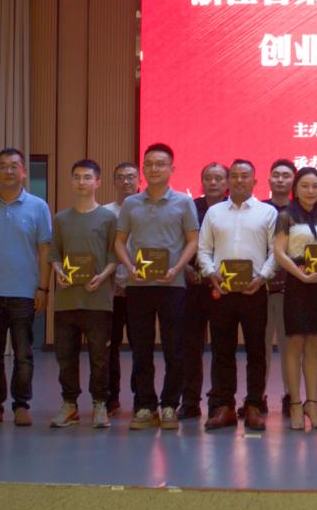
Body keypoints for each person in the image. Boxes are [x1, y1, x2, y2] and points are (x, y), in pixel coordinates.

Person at [114, 143, 199, 431]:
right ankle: (144, 406)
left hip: (172, 285)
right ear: (143, 169)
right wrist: (130, 267)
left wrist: (177, 268)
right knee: (141, 349)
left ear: (172, 168)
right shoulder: (131, 203)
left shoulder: (184, 202)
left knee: (174, 348)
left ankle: (169, 405)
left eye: (160, 164)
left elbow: (193, 241)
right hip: (138, 285)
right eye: (149, 164)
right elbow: (119, 242)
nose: (154, 168)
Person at [0, 148, 52, 427]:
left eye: (14, 166)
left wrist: (43, 288)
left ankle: (21, 405)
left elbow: (45, 251)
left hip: (24, 293)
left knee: (24, 354)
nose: (8, 170)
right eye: (3, 166)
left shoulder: (38, 206)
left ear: (23, 172)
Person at [198, 159, 277, 432]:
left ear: (255, 181)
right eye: (234, 176)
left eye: (245, 176)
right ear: (228, 181)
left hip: (254, 290)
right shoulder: (214, 212)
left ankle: (254, 405)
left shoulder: (268, 212)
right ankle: (224, 406)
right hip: (222, 290)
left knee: (256, 350)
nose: (239, 180)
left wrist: (262, 277)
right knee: (222, 350)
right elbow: (203, 249)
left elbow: (275, 252)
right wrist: (211, 273)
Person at [48, 159, 118, 428]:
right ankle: (69, 405)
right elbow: (55, 255)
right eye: (77, 177)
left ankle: (100, 404)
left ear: (97, 182)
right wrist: (58, 272)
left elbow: (113, 257)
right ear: (71, 181)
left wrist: (102, 276)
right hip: (66, 301)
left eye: (87, 177)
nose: (81, 182)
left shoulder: (108, 218)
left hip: (98, 301)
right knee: (66, 357)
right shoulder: (61, 218)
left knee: (99, 357)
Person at [273, 167, 317, 431]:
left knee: (314, 345)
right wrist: (300, 275)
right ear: (295, 190)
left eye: (315, 186)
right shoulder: (286, 216)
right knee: (295, 344)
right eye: (305, 186)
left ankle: (312, 404)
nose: (311, 191)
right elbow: (279, 252)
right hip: (297, 285)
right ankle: (296, 404)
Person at [179, 162, 228, 420]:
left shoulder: (234, 209)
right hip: (192, 286)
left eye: (219, 178)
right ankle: (189, 401)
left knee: (221, 346)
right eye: (208, 177)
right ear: (202, 182)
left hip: (222, 285)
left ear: (227, 183)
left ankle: (218, 400)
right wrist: (185, 267)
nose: (213, 182)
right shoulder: (190, 207)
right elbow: (178, 240)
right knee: (190, 346)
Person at [102, 161, 139, 416]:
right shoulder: (104, 213)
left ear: (139, 181)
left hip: (139, 289)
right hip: (110, 291)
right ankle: (110, 397)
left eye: (130, 177)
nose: (126, 181)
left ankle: (141, 398)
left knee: (140, 346)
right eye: (120, 177)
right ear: (113, 182)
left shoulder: (147, 210)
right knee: (109, 347)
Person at [263, 158, 295, 416]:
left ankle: (290, 395)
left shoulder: (301, 211)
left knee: (289, 347)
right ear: (269, 179)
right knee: (260, 346)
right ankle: (257, 395)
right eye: (276, 175)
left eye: (286, 175)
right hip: (259, 288)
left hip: (291, 289)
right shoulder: (259, 210)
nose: (281, 179)